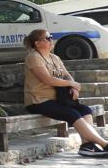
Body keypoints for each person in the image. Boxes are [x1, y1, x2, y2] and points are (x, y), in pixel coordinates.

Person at [23, 29, 108, 157]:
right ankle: (104, 144)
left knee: (85, 110)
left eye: (51, 36)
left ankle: (87, 145)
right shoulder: (33, 57)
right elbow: (47, 79)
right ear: (37, 43)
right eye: (47, 38)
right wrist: (71, 84)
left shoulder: (55, 58)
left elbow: (67, 75)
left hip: (58, 100)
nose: (51, 40)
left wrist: (73, 87)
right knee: (71, 113)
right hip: (39, 101)